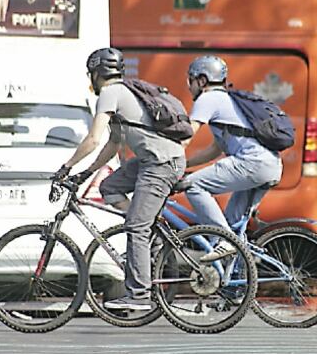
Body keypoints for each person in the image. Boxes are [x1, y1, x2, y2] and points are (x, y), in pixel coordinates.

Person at [53, 48, 186, 311]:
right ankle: (150, 233)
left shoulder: (110, 93)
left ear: (96, 73)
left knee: (135, 227)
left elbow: (93, 139)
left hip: (160, 164)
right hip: (156, 160)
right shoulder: (123, 92)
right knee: (109, 187)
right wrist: (87, 173)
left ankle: (138, 294)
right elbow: (113, 143)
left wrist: (65, 167)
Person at [182, 56, 282, 246]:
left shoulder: (208, 98)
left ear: (202, 80)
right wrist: (185, 164)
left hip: (251, 162)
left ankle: (223, 242)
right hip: (270, 164)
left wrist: (167, 162)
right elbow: (214, 150)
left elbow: (186, 136)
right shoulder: (226, 99)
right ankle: (237, 270)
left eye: (191, 80)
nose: (189, 86)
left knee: (193, 185)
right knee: (232, 225)